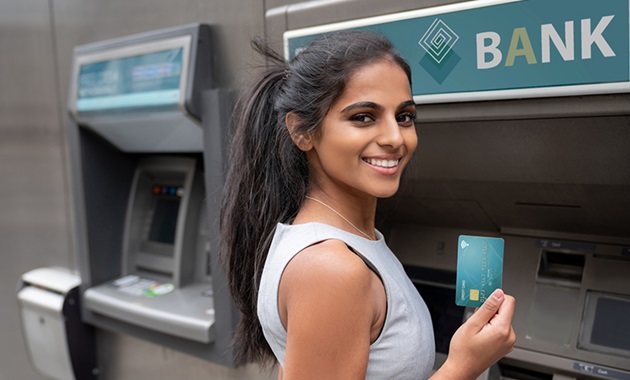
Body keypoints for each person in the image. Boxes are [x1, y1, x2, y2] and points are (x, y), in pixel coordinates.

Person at [220, 30, 516, 379]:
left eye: (404, 116)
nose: (394, 138)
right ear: (302, 132)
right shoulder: (331, 270)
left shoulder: (347, 243)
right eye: (363, 117)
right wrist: (463, 365)